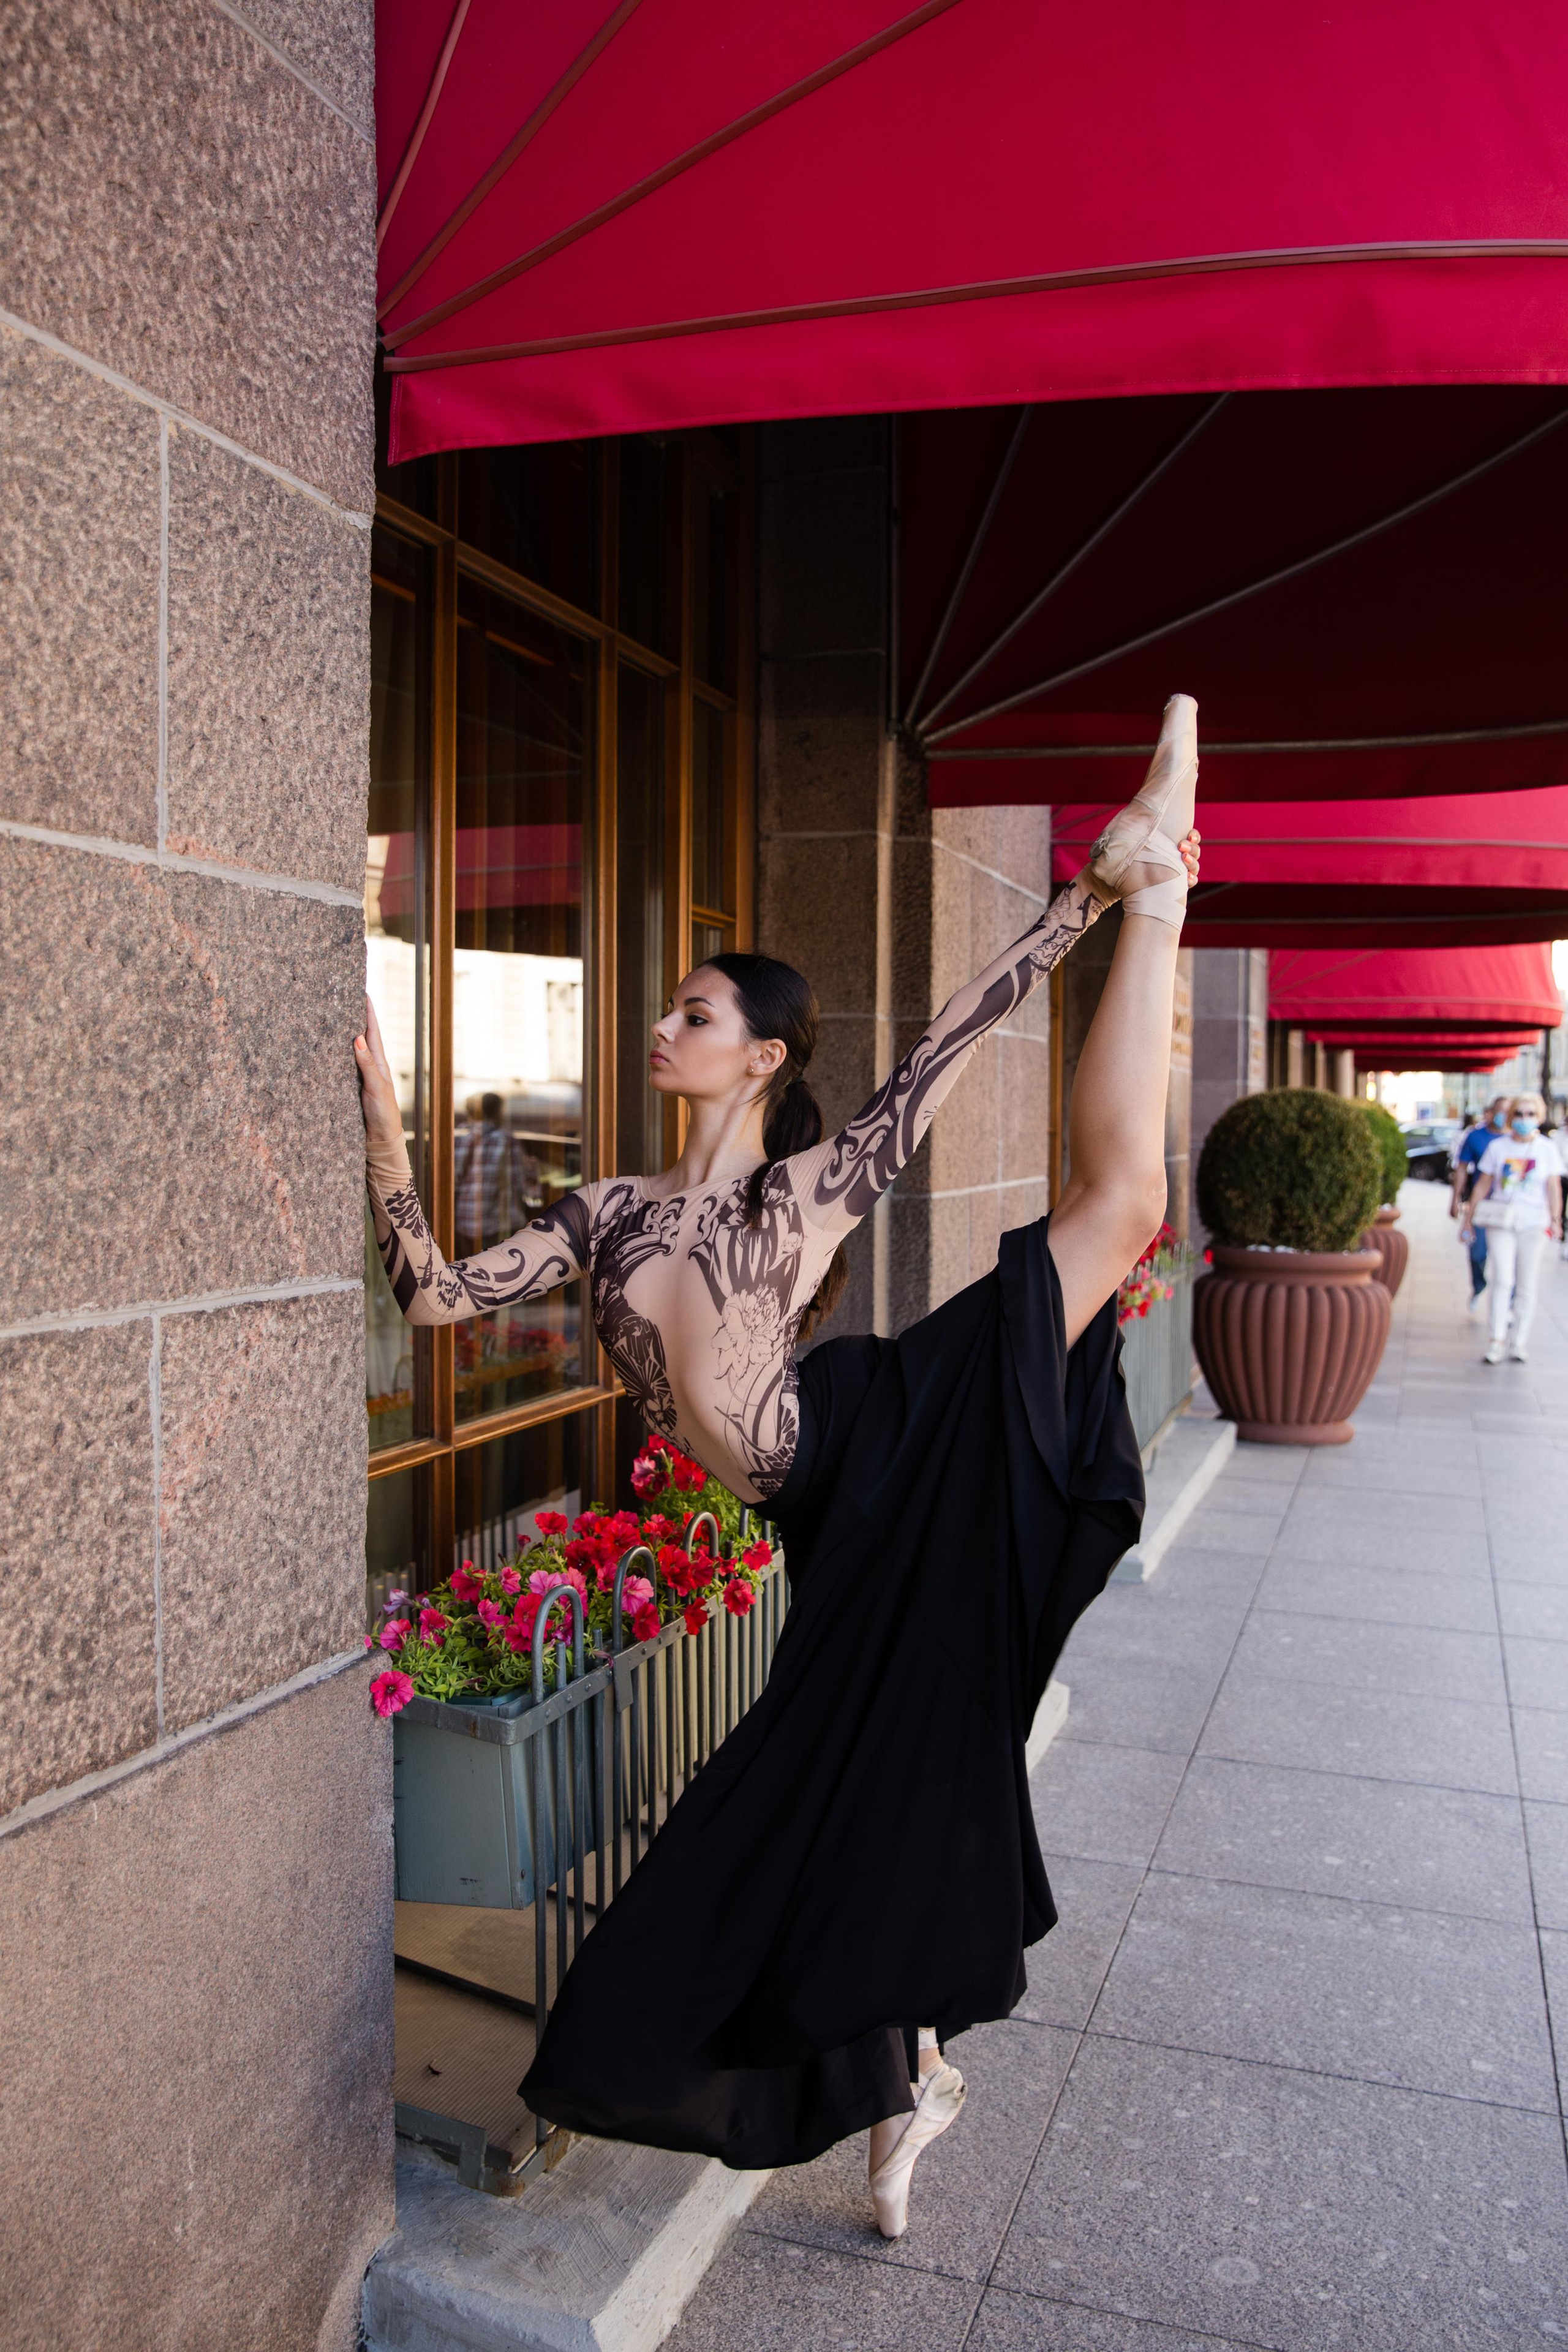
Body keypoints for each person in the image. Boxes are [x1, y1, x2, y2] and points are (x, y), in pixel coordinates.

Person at [355, 697, 1203, 2237]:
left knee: (1120, 1201)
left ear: (758, 1054)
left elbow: (947, 1043)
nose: (660, 1027)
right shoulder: (605, 1211)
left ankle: (1153, 883)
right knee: (840, 1807)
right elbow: (430, 1295)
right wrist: (387, 1135)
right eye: (667, 1009)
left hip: (881, 1434)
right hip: (825, 1518)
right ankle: (911, 2079)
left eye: (689, 1010)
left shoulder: (798, 1195)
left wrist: (1073, 899)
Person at [1461, 1093, 1562, 1363]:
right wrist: (1469, 1215)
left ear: (1539, 1118)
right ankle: (1496, 1341)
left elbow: (1553, 1187)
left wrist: (1556, 1220)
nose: (1524, 1119)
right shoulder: (1499, 1147)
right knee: (1503, 1280)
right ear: (1511, 1116)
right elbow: (1483, 1183)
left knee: (1527, 1283)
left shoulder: (1546, 1149)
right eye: (1519, 1114)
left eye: (1531, 1114)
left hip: (1534, 1222)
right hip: (1502, 1220)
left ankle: (1519, 1342)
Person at [1450, 1095, 1507, 1312]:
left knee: (1506, 1260)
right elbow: (1463, 1170)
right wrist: (1456, 1201)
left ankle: (1508, 1303)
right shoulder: (1476, 1137)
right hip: (1482, 1206)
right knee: (1477, 1254)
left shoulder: (1516, 1141)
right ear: (1491, 1112)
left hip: (1508, 1210)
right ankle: (1479, 1286)